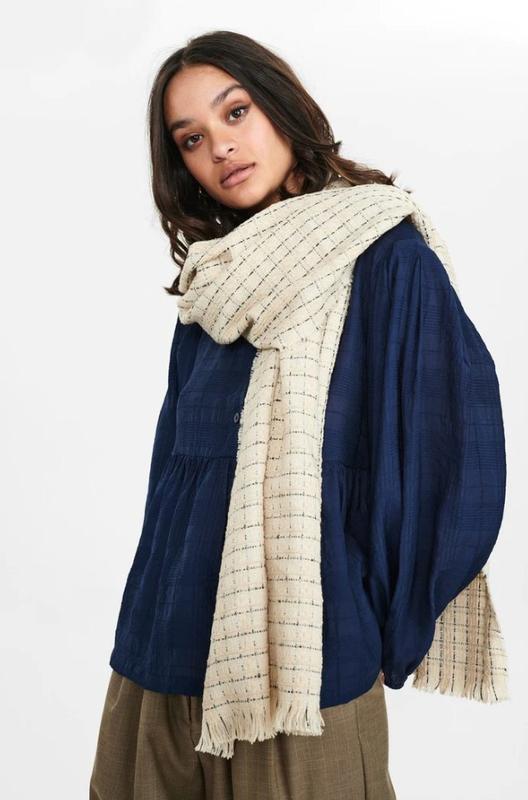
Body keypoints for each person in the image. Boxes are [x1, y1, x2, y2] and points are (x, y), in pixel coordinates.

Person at [89, 30, 507, 800]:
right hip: (162, 647)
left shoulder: (386, 258)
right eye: (191, 139)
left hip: (305, 665)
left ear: (281, 107)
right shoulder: (215, 282)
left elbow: (451, 462)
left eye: (235, 112)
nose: (220, 146)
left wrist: (374, 622)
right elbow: (168, 477)